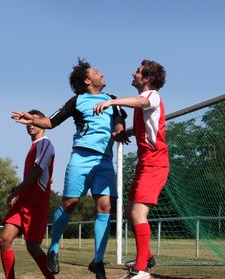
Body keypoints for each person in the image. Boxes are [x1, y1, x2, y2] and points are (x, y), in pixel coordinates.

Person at [11, 59, 127, 279]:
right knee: (69, 204)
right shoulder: (77, 101)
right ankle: (53, 249)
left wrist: (119, 130)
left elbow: (119, 119)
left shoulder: (112, 99)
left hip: (104, 161)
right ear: (87, 80)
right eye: (96, 72)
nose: (101, 73)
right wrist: (32, 118)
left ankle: (98, 261)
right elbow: (52, 122)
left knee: (104, 206)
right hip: (81, 158)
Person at [94, 59, 169, 279]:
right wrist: (128, 133)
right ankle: (145, 258)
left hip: (155, 163)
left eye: (137, 71)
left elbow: (139, 102)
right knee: (130, 212)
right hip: (145, 162)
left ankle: (141, 270)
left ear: (146, 79)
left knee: (138, 213)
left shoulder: (151, 95)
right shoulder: (144, 103)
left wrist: (111, 103)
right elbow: (146, 126)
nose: (133, 73)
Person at [0, 109, 55, 279]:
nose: (30, 125)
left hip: (36, 205)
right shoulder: (33, 147)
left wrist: (18, 189)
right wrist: (18, 191)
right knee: (4, 240)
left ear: (43, 123)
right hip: (23, 202)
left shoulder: (45, 144)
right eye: (28, 122)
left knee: (33, 246)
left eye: (34, 121)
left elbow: (38, 172)